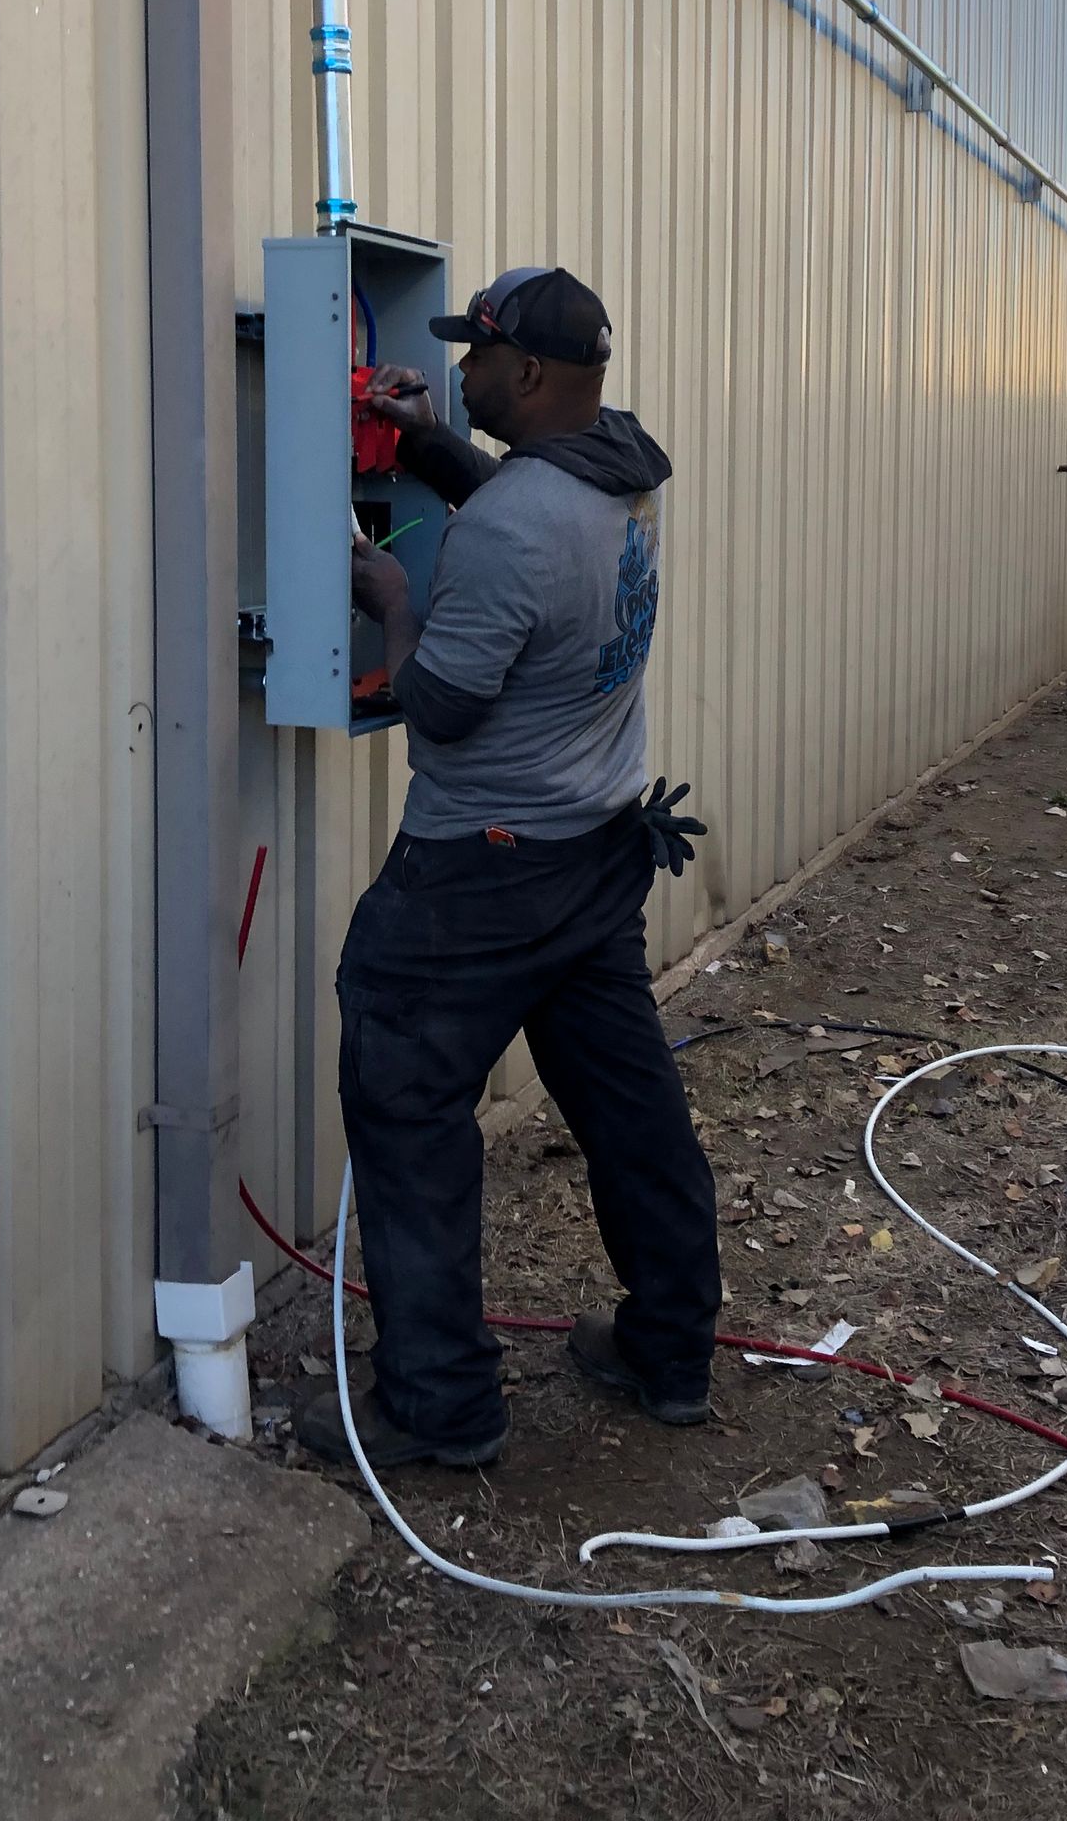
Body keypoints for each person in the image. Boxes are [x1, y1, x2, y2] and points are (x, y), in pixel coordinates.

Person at [293, 265, 722, 1469]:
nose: (459, 375)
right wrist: (428, 446)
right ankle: (670, 1347)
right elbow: (517, 523)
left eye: (474, 361)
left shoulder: (510, 533)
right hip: (595, 852)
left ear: (528, 374)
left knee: (406, 1099)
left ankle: (439, 1406)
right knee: (630, 1108)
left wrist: (389, 598)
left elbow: (437, 707)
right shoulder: (620, 475)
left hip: (480, 874)